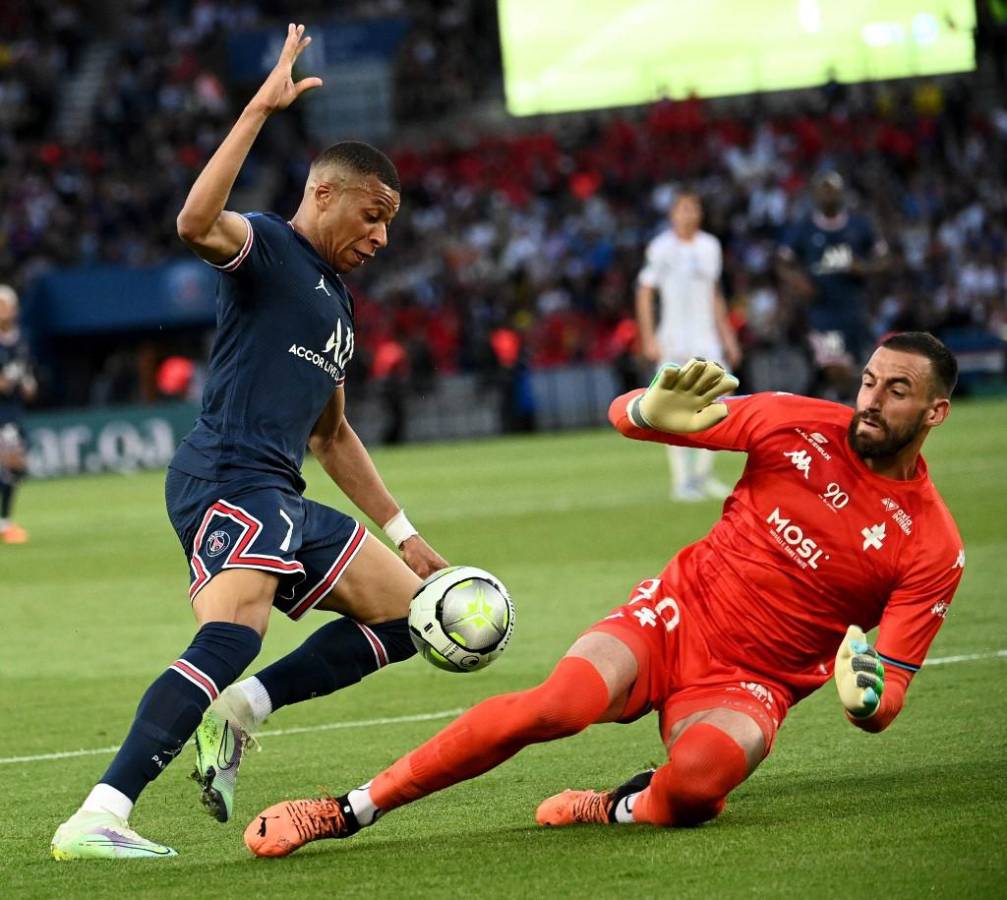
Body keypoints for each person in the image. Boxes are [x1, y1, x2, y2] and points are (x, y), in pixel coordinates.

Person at [241, 333, 964, 858]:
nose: (870, 401)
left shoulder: (931, 545)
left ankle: (622, 806)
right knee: (557, 705)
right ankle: (347, 810)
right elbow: (628, 415)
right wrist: (647, 413)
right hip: (675, 615)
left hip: (755, 680)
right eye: (869, 380)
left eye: (896, 391)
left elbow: (887, 692)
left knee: (697, 787)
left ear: (934, 413)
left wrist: (866, 703)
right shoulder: (794, 421)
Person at [51, 24, 448, 860]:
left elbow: (334, 436)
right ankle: (98, 813)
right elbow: (195, 221)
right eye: (372, 216)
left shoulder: (337, 304)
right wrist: (258, 110)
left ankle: (242, 712)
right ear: (326, 193)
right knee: (231, 635)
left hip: (282, 494)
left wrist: (409, 539)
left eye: (390, 225)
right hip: (228, 476)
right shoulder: (268, 246)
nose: (381, 237)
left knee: (411, 618)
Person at [636, 191, 741, 501]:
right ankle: (682, 482)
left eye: (693, 208)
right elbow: (644, 292)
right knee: (671, 406)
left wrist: (728, 337)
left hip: (706, 337)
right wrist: (649, 337)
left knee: (722, 399)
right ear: (672, 214)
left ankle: (703, 475)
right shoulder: (661, 248)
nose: (688, 214)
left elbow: (714, 294)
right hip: (674, 338)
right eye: (682, 209)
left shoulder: (710, 246)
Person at [776, 171, 890, 399]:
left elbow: (884, 259)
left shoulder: (859, 226)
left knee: (857, 368)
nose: (828, 195)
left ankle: (850, 405)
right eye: (824, 190)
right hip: (822, 312)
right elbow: (782, 262)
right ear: (815, 195)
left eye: (832, 190)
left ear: (842, 193)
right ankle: (846, 405)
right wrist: (798, 281)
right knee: (833, 367)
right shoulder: (804, 229)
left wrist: (864, 268)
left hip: (855, 309)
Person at [0, 285, 37, 545]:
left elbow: (28, 385)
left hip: (13, 410)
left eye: (8, 306)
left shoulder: (21, 339)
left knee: (15, 467)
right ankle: (4, 524)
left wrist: (27, 383)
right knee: (11, 462)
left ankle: (5, 522)